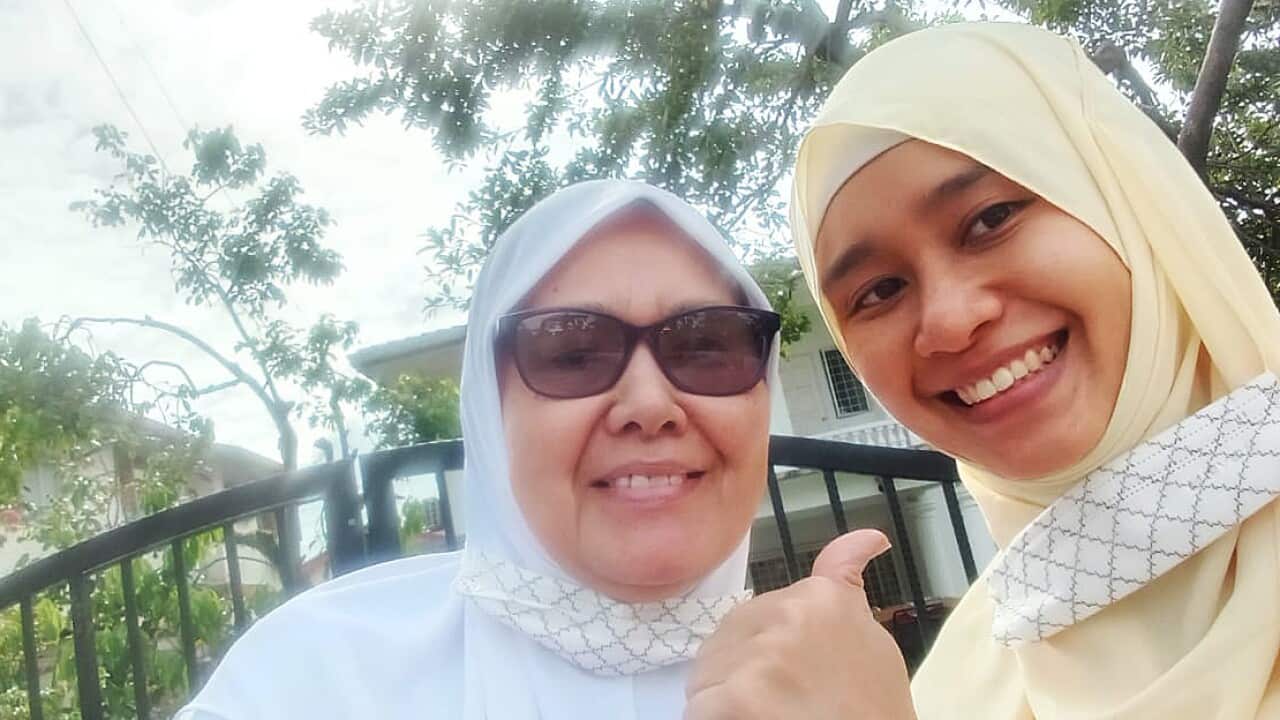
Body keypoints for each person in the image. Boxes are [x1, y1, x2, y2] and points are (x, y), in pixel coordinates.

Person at [784, 21, 1280, 720]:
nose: (950, 321)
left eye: (990, 219)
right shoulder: (946, 688)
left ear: (1128, 203)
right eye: (878, 292)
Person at [175, 179, 791, 719]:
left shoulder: (828, 683)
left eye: (706, 346)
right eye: (572, 354)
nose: (650, 406)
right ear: (491, 416)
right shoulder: (313, 679)